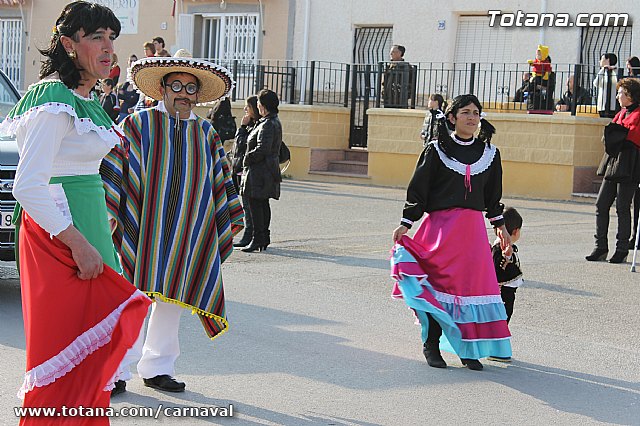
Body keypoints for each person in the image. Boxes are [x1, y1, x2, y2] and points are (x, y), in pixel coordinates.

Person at [0, 2, 150, 423]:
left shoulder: (85, 99)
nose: (109, 48)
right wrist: (79, 242)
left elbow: (82, 172)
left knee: (88, 365)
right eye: (97, 37)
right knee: (65, 356)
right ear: (68, 43)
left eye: (112, 38)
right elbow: (28, 186)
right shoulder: (54, 98)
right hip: (60, 239)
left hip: (83, 227)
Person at [101, 49, 244, 394]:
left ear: (198, 95)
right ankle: (118, 370)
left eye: (190, 88)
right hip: (143, 226)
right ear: (162, 90)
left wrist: (227, 219)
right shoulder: (139, 124)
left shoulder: (206, 133)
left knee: (173, 298)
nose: (183, 93)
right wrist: (108, 211)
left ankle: (158, 367)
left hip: (188, 230)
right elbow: (115, 167)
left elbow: (222, 181)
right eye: (176, 85)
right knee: (132, 297)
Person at [391, 94, 512, 371]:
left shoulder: (490, 153)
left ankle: (468, 349)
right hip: (440, 231)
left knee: (469, 291)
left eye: (476, 112)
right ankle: (432, 345)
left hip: (472, 234)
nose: (472, 117)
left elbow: (493, 196)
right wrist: (406, 222)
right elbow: (418, 190)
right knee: (439, 289)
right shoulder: (436, 149)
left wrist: (501, 226)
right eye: (466, 112)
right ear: (452, 117)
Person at [587, 78, 640, 263]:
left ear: (630, 96)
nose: (618, 96)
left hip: (630, 163)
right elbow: (612, 133)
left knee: (622, 208)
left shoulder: (638, 113)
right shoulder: (621, 113)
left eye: (621, 93)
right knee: (601, 204)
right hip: (614, 161)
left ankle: (622, 249)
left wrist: (617, 134)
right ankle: (600, 247)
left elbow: (631, 135)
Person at [239, 89, 283, 252]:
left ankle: (258, 239)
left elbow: (262, 149)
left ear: (263, 106)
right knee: (261, 205)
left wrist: (246, 158)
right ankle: (262, 238)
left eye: (258, 103)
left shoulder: (269, 124)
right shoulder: (268, 122)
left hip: (260, 172)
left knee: (257, 206)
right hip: (263, 171)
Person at [488, 207, 523, 363]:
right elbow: (496, 271)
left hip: (509, 291)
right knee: (502, 318)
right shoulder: (499, 248)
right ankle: (495, 349)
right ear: (515, 231)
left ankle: (498, 347)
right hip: (502, 292)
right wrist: (507, 257)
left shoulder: (505, 246)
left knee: (505, 317)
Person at [232, 95, 259, 248]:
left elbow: (242, 145)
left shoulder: (254, 127)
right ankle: (249, 234)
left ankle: (250, 234)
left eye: (247, 107)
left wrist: (241, 128)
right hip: (240, 169)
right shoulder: (250, 125)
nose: (244, 110)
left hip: (248, 170)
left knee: (249, 206)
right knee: (246, 205)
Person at [594, 53, 619, 118]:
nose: (600, 61)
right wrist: (602, 69)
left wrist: (614, 70)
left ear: (607, 60)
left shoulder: (616, 71)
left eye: (602, 59)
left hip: (613, 106)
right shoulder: (602, 72)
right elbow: (596, 83)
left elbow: (618, 83)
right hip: (602, 105)